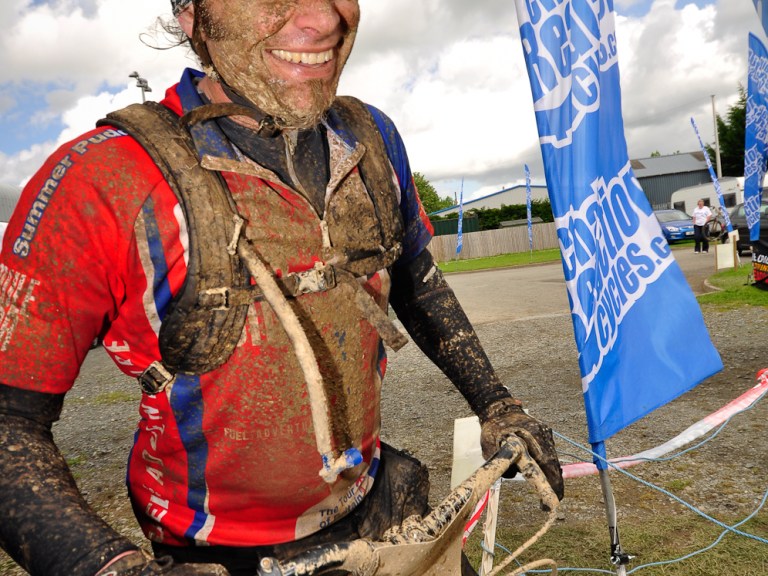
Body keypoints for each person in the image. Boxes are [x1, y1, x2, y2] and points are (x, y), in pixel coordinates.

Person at [0, 1, 564, 575]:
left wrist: (497, 404)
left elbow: (415, 279)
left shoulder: (370, 138)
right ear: (192, 14)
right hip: (216, 549)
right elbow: (7, 424)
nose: (323, 20)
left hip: (378, 509)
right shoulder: (103, 178)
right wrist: (109, 566)